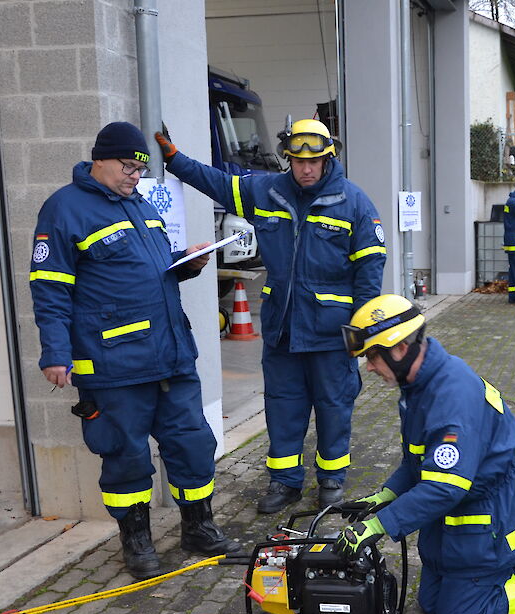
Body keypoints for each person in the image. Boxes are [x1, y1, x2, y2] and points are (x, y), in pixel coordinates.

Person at [29, 121, 242, 580]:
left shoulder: (139, 205)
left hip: (170, 356)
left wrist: (185, 265)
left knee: (193, 442)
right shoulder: (64, 211)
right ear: (99, 159)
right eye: (127, 166)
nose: (134, 176)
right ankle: (137, 541)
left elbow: (151, 273)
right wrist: (55, 352)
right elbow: (50, 289)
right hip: (114, 364)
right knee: (125, 454)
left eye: (140, 168)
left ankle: (198, 527)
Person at [154, 120, 385, 515]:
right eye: (298, 161)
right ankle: (285, 482)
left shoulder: (355, 203)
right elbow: (218, 183)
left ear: (329, 158)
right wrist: (176, 161)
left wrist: (362, 330)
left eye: (314, 162)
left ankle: (331, 480)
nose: (306, 169)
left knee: (334, 406)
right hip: (282, 330)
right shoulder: (267, 192)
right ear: (289, 159)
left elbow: (370, 271)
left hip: (332, 334)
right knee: (282, 406)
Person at [333, 295, 515, 614]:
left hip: (493, 513)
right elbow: (419, 462)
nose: (369, 367)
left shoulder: (451, 398)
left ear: (398, 349)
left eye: (372, 356)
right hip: (461, 512)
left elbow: (444, 487)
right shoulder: (419, 386)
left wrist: (378, 527)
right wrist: (384, 495)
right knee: (430, 604)